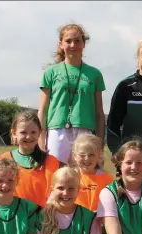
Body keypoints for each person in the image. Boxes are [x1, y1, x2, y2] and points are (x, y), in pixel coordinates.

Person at [38, 23, 106, 164]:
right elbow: (43, 110)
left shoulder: (95, 74)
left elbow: (99, 112)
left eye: (77, 41)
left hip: (85, 130)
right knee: (55, 173)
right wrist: (40, 141)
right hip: (57, 130)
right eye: (68, 41)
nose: (73, 45)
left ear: (83, 44)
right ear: (61, 44)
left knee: (84, 173)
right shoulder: (50, 72)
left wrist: (99, 143)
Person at [0, 110, 61, 207]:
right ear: (14, 133)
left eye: (33, 132)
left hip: (44, 218)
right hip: (14, 218)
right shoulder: (3, 160)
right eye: (23, 132)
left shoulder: (51, 161)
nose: (28, 136)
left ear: (40, 132)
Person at [72, 133, 113, 211]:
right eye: (82, 155)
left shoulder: (107, 180)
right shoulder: (70, 177)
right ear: (74, 156)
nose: (87, 158)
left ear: (98, 156)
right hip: (76, 220)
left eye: (91, 155)